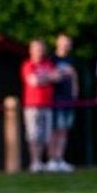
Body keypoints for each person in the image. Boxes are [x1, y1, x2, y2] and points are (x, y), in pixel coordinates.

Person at [21, 39, 63, 173]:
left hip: (47, 104)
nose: (39, 52)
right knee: (33, 135)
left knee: (46, 136)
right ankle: (35, 162)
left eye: (41, 49)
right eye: (36, 49)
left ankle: (46, 162)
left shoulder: (48, 63)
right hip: (32, 105)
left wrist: (43, 78)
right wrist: (48, 77)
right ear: (31, 50)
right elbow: (33, 81)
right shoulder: (28, 65)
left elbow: (58, 77)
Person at [47, 34, 78, 173]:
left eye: (68, 43)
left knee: (64, 130)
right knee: (55, 130)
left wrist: (75, 94)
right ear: (57, 43)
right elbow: (50, 77)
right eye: (63, 43)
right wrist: (59, 73)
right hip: (55, 100)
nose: (66, 45)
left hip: (68, 100)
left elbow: (74, 77)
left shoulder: (71, 59)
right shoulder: (51, 59)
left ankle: (60, 159)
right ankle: (52, 160)